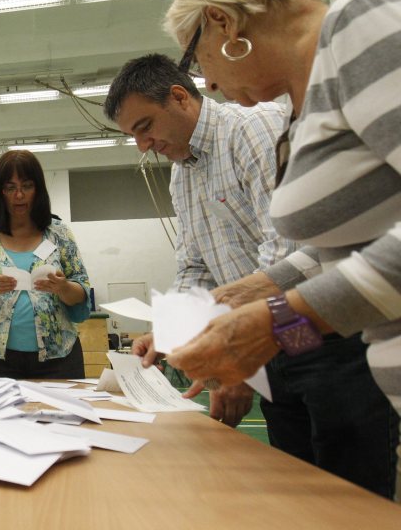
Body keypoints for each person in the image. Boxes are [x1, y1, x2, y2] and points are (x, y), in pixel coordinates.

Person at [162, 0, 401, 499]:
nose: (211, 83)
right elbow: (341, 247)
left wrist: (274, 318)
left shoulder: (362, 23)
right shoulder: (302, 111)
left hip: (326, 350)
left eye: (198, 60)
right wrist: (243, 295)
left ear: (223, 22)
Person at [105, 53, 396, 495]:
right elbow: (193, 266)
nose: (144, 145)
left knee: (347, 482)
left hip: (317, 328)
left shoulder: (251, 130)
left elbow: (288, 252)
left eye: (145, 127)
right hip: (269, 344)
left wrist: (237, 355)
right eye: (133, 136)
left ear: (180, 98)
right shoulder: (182, 178)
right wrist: (170, 330)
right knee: (294, 479)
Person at [0, 150, 91, 379]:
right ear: (0, 192)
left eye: (27, 186)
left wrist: (63, 287)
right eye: (10, 188)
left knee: (60, 416)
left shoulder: (59, 233)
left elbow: (81, 291)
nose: (19, 195)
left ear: (38, 189)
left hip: (59, 357)